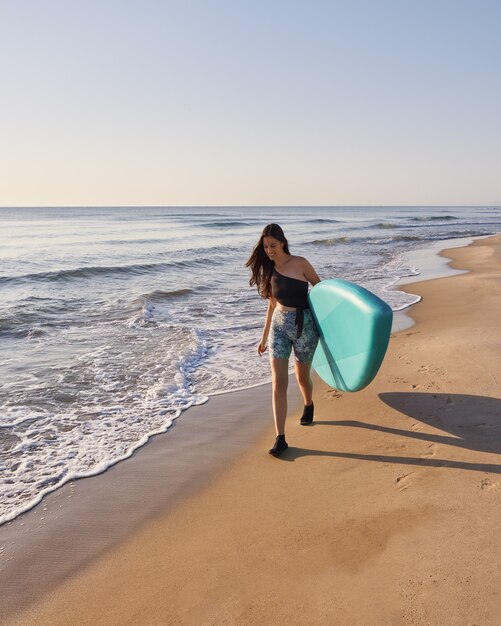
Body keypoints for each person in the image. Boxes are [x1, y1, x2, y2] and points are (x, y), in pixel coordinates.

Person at [246, 223, 321, 457]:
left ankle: (308, 404)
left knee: (301, 377)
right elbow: (271, 304)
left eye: (273, 246)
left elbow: (321, 291)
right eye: (266, 247)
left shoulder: (300, 264)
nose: (269, 250)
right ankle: (280, 438)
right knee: (278, 383)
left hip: (303, 326)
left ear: (283, 243)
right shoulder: (269, 270)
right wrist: (264, 335)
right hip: (279, 327)